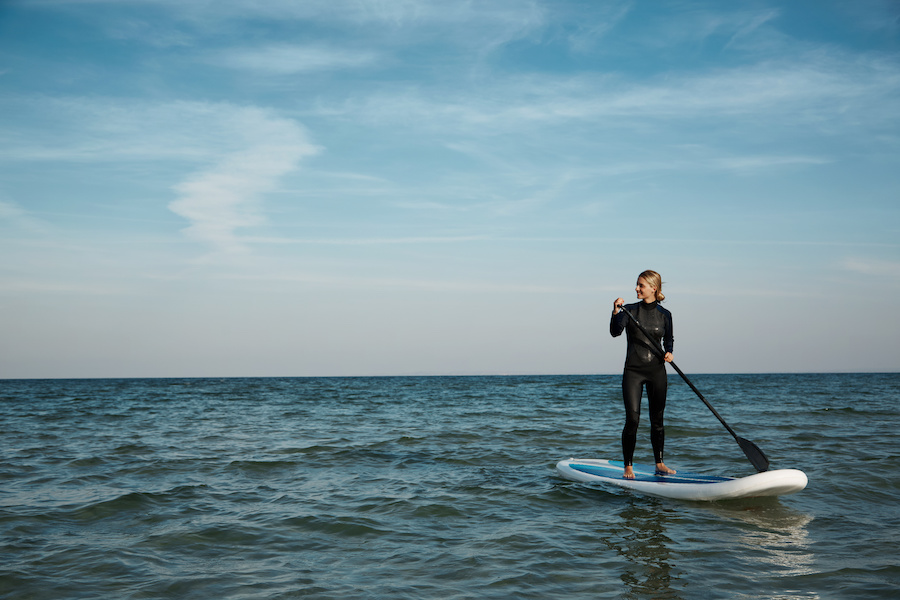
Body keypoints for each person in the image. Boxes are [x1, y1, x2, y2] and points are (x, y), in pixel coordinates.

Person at [610, 270, 675, 479]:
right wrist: (615, 312)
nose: (636, 289)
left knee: (657, 420)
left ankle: (660, 463)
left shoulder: (665, 315)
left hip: (657, 371)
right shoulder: (629, 311)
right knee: (633, 419)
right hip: (633, 372)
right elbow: (615, 332)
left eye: (641, 285)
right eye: (637, 285)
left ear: (653, 288)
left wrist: (669, 352)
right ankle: (628, 466)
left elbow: (669, 339)